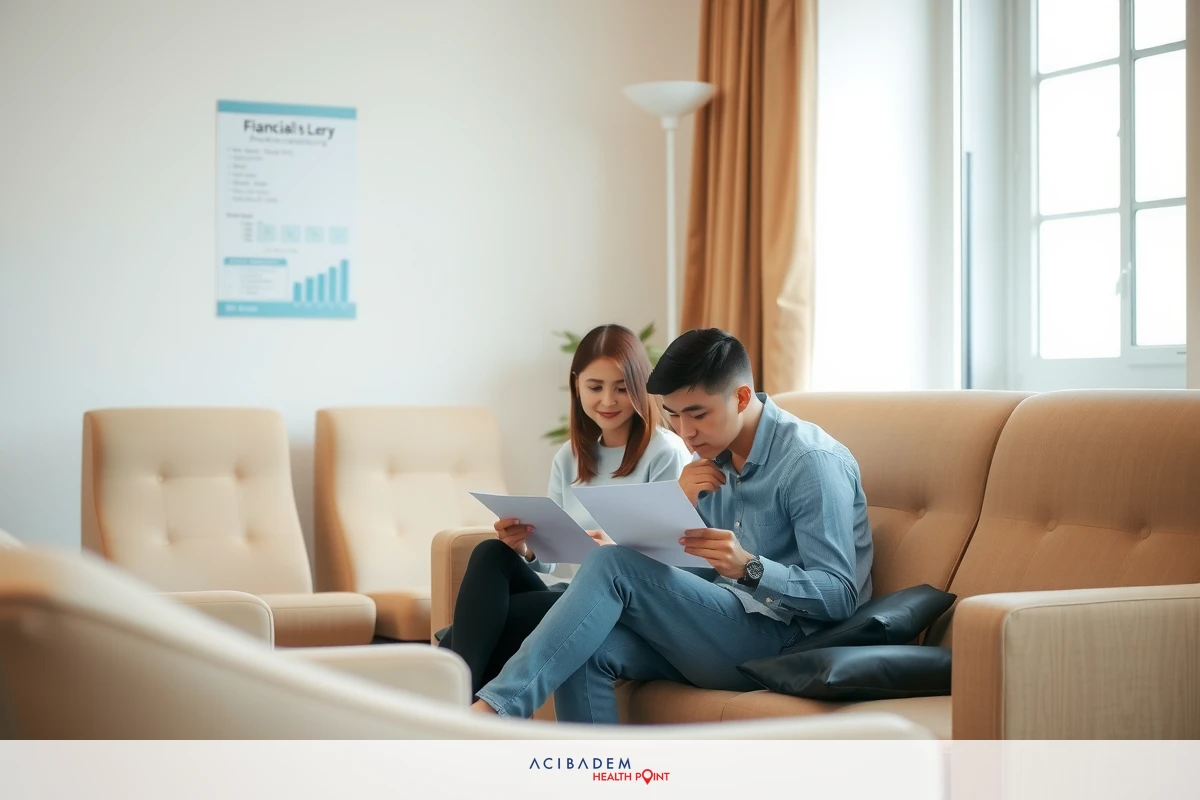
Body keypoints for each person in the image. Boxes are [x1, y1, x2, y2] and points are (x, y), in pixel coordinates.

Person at [471, 328, 874, 723]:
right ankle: (595, 767)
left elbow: (839, 595)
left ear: (741, 397)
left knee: (613, 564)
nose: (685, 432)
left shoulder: (810, 463)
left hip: (788, 642)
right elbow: (697, 571)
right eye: (674, 415)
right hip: (718, 626)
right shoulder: (710, 463)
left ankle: (493, 712)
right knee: (583, 649)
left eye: (698, 414)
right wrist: (671, 516)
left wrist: (750, 568)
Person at [439, 324, 690, 696]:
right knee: (490, 553)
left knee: (482, 625)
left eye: (622, 388)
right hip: (572, 593)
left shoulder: (665, 452)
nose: (608, 400)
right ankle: (463, 708)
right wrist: (526, 547)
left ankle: (453, 705)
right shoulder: (570, 457)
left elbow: (680, 559)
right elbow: (552, 560)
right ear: (576, 385)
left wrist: (616, 553)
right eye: (595, 387)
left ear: (641, 386)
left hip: (627, 604)